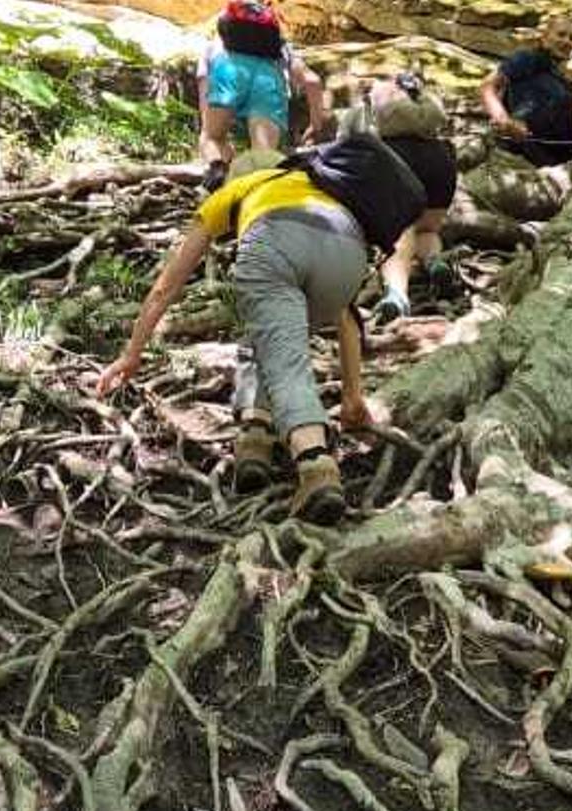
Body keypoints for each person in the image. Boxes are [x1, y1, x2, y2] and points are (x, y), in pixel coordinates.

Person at [97, 137, 428, 524]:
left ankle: (316, 467)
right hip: (347, 253)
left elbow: (165, 288)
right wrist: (353, 398)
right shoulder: (318, 187)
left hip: (275, 243)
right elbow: (347, 319)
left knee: (283, 357)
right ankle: (255, 438)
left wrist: (132, 353)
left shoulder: (237, 190)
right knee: (270, 338)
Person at [339, 73, 458, 322]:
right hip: (439, 162)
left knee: (399, 232)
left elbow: (345, 143)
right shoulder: (422, 103)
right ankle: (435, 263)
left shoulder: (370, 102)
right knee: (425, 229)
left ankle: (397, 294)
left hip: (397, 161)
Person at [196, 0, 329, 189]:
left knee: (213, 138)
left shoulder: (214, 45)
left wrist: (207, 126)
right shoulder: (282, 47)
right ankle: (260, 196)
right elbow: (312, 81)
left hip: (228, 72)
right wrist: (316, 125)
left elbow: (203, 79)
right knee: (264, 154)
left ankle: (217, 177)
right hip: (268, 79)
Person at [479, 15, 572, 167]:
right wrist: (504, 120)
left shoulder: (567, 83)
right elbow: (487, 86)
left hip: (558, 150)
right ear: (544, 37)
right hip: (531, 133)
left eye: (571, 38)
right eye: (561, 34)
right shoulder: (528, 58)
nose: (567, 41)